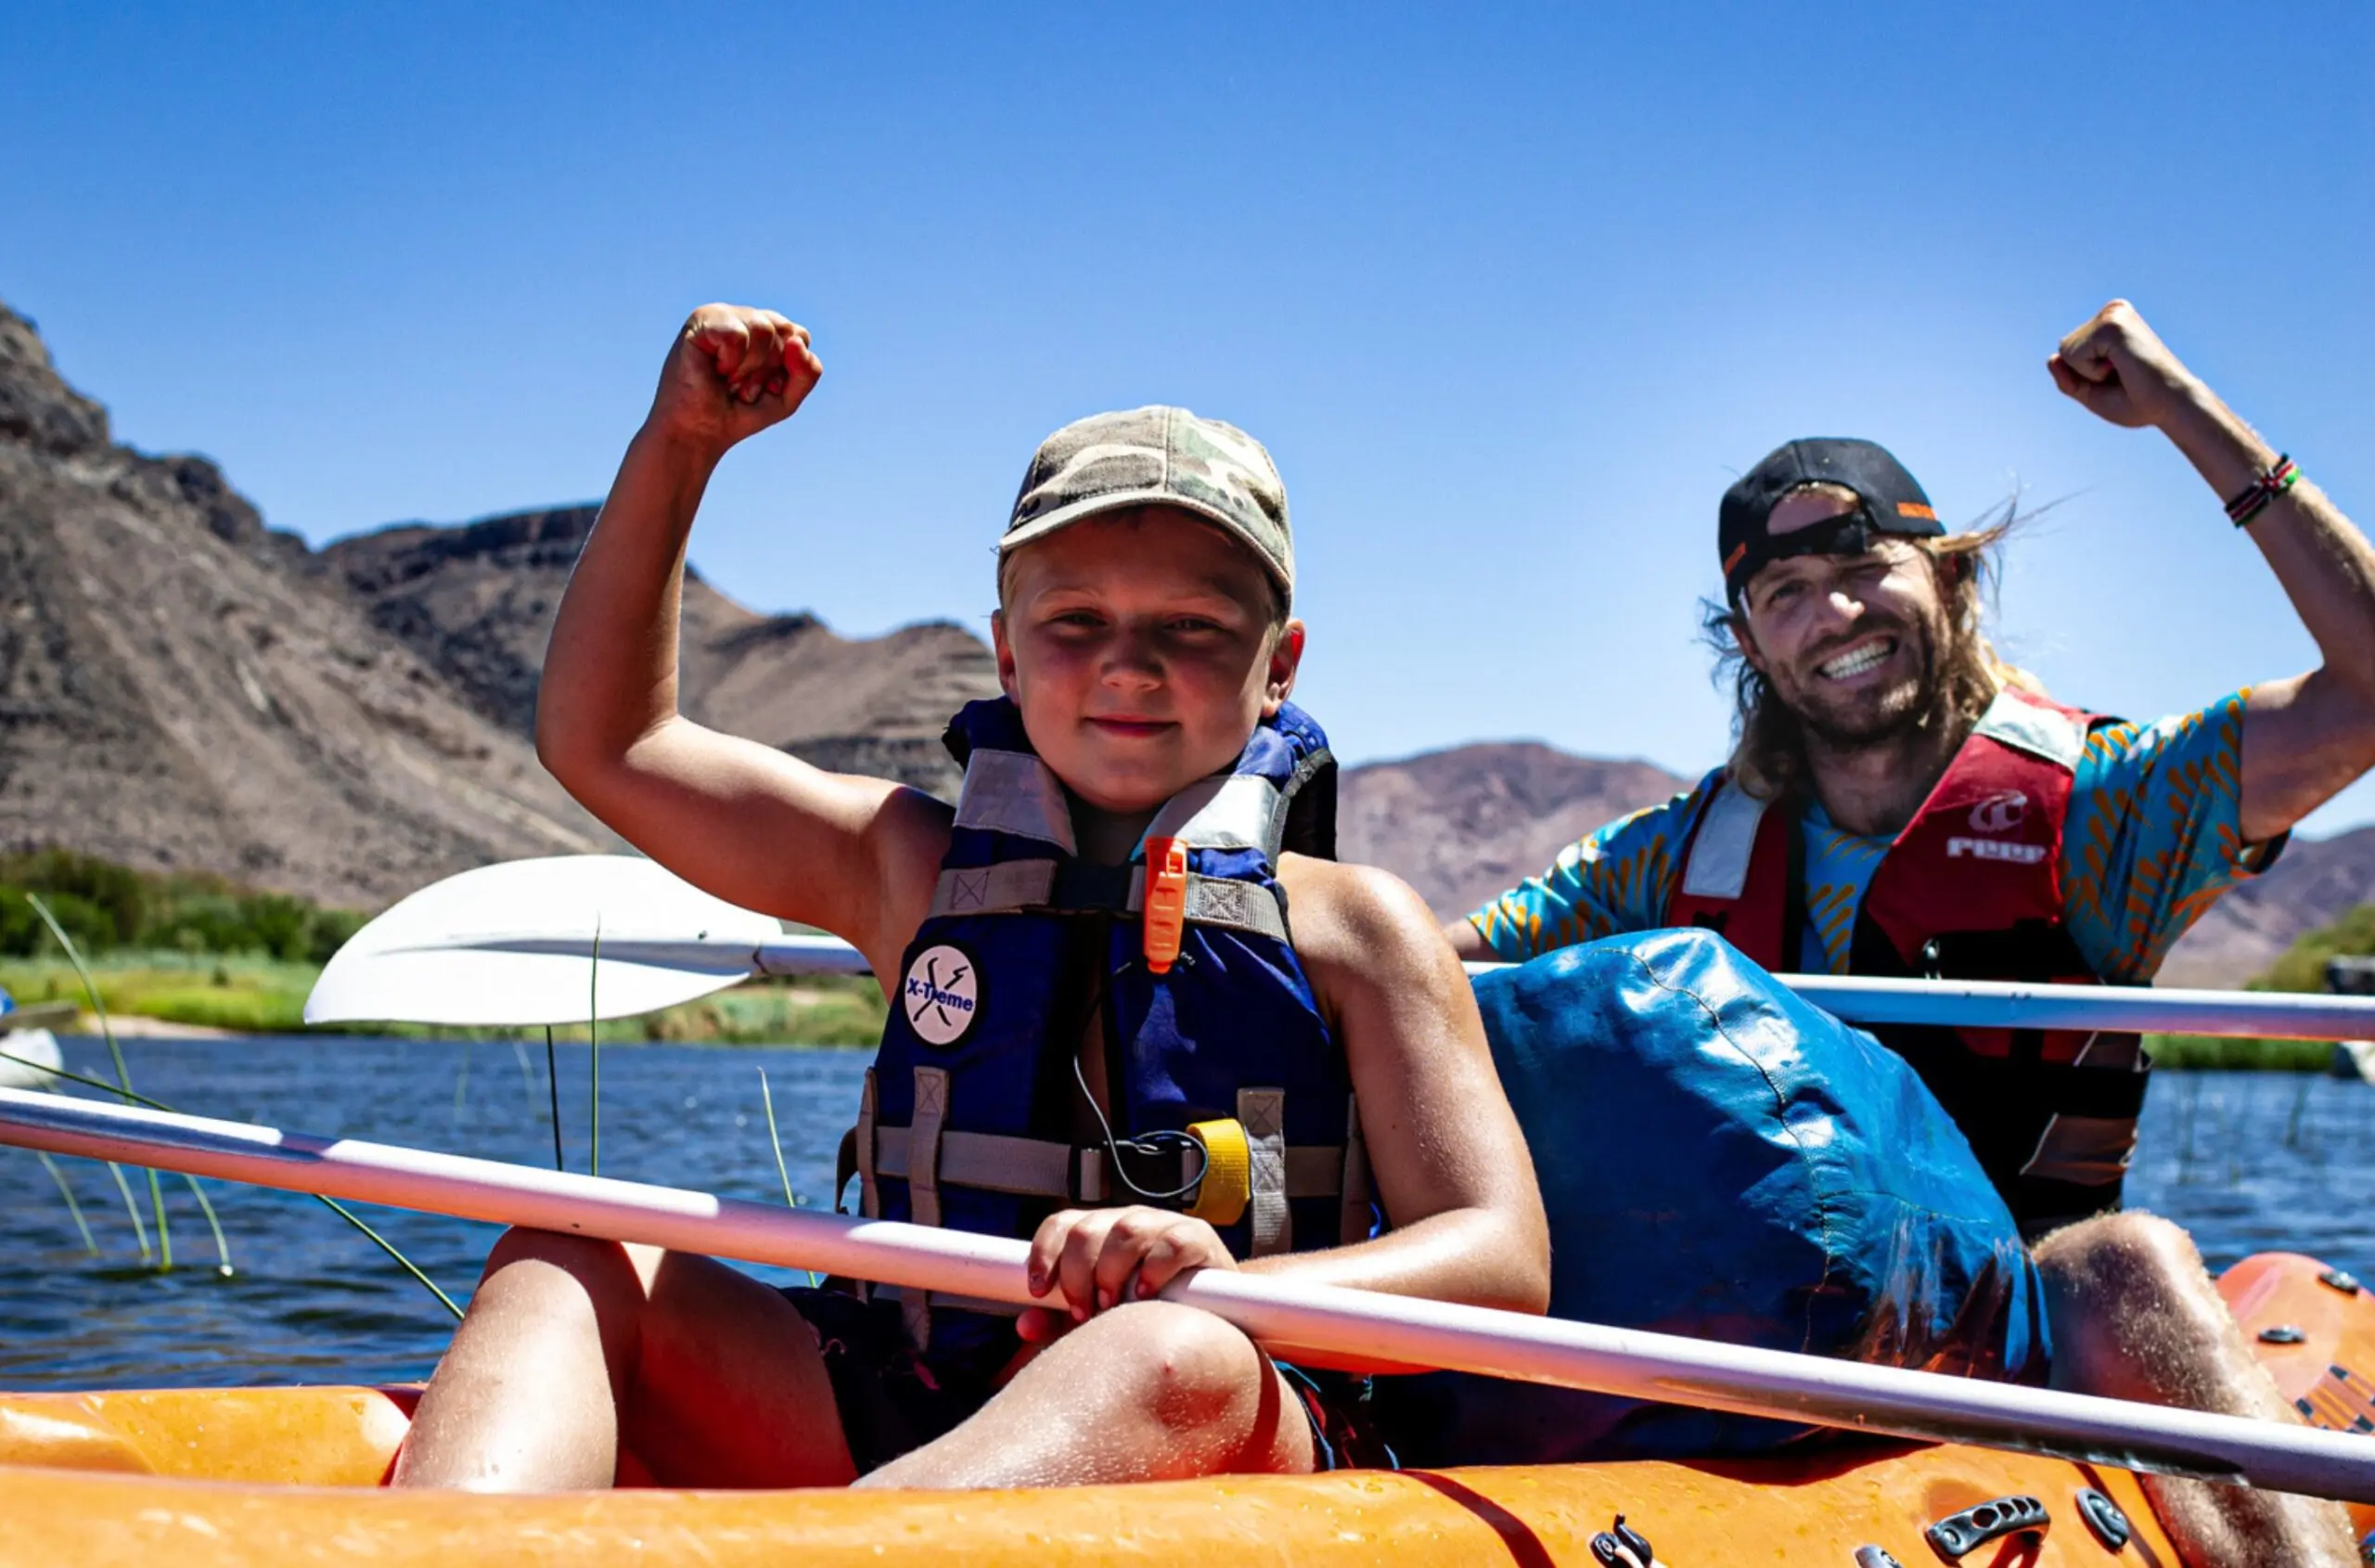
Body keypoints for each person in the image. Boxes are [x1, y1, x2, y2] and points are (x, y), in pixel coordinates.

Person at [392, 304, 1549, 1493]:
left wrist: (1220, 1286)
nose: (1127, 662)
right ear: (1003, 652)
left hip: (1216, 1417)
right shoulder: (901, 864)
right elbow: (608, 741)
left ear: (1281, 665)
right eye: (1074, 621)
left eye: (1192, 627)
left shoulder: (1357, 925)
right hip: (904, 1401)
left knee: (1162, 1346)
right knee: (572, 1254)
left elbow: (1503, 1259)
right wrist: (681, 445)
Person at [1451, 300, 2375, 1564]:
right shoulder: (1669, 856)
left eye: (1863, 567)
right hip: (1745, 1303)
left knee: (2133, 1259)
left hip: (2016, 1294)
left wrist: (2179, 408)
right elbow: (1443, 969)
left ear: (1949, 575)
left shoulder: (2107, 807)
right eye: (1786, 593)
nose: (1833, 615)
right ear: (1750, 643)